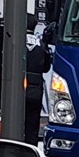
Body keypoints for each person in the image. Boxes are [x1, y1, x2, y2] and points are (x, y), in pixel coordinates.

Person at [24, 17, 52, 145]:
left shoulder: (15, 41)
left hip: (17, 86)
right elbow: (46, 68)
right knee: (32, 122)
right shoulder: (41, 44)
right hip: (36, 88)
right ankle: (30, 150)